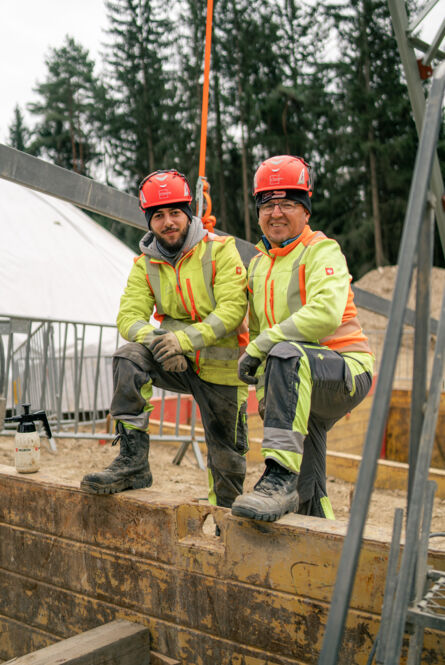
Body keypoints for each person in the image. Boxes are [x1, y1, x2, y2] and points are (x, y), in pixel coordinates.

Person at [81, 169, 249, 510]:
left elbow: (233, 310)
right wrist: (162, 342)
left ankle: (224, 524)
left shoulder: (220, 251)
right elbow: (128, 318)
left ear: (188, 214)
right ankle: (133, 464)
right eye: (158, 215)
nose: (168, 222)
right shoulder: (145, 265)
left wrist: (183, 341)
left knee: (227, 465)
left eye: (175, 213)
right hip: (175, 362)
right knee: (129, 357)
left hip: (221, 373)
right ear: (149, 221)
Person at [231, 155, 374, 522]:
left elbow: (325, 314)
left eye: (288, 203)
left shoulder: (321, 250)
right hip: (296, 375)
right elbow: (260, 331)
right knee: (308, 486)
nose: (276, 213)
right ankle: (318, 527)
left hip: (343, 370)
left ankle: (277, 478)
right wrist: (269, 395)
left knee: (284, 353)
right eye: (268, 204)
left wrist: (262, 349)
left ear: (305, 210)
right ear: (259, 211)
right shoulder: (260, 264)